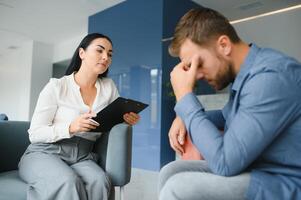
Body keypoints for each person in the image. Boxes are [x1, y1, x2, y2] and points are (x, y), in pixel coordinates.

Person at [158, 7, 301, 200]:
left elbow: (225, 162)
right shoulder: (247, 76)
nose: (196, 76)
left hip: (285, 180)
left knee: (178, 187)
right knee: (171, 171)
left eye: (198, 64)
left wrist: (185, 98)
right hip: (262, 169)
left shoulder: (269, 77)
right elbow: (225, 116)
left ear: (224, 45)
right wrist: (183, 116)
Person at [18, 33, 140, 200]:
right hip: (45, 152)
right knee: (67, 181)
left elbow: (111, 121)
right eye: (100, 51)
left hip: (82, 155)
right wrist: (71, 127)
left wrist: (125, 120)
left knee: (100, 181)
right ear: (82, 53)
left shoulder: (109, 87)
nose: (106, 57)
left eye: (110, 54)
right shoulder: (56, 86)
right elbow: (35, 133)